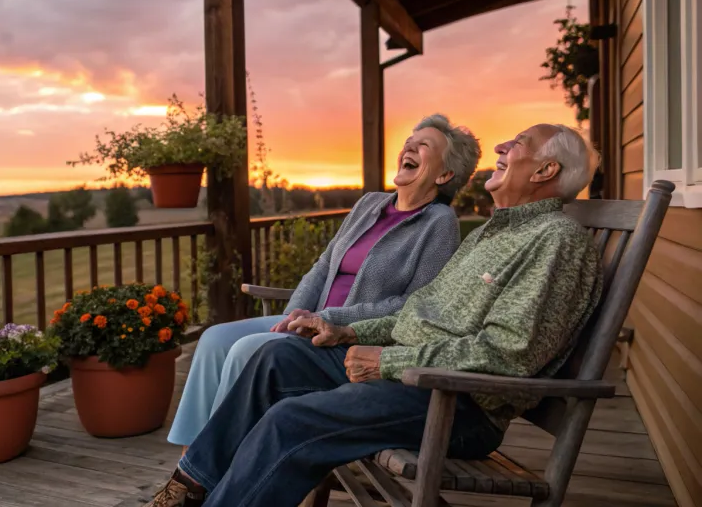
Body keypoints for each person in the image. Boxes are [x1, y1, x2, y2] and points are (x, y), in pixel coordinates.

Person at [148, 124, 604, 507]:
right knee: (275, 360)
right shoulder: (489, 233)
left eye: (517, 143)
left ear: (546, 170)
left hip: (456, 401)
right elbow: (416, 311)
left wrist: (384, 361)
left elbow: (509, 354)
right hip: (409, 375)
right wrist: (344, 329)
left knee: (293, 419)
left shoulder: (556, 241)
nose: (502, 148)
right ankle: (188, 490)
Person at [167, 114, 481, 449]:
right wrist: (295, 312)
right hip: (308, 321)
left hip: (345, 338)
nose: (410, 145)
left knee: (246, 350)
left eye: (424, 145)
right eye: (410, 139)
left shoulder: (439, 223)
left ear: (444, 174)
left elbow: (413, 305)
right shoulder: (370, 204)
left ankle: (217, 464)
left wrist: (332, 319)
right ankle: (189, 460)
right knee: (215, 338)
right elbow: (323, 266)